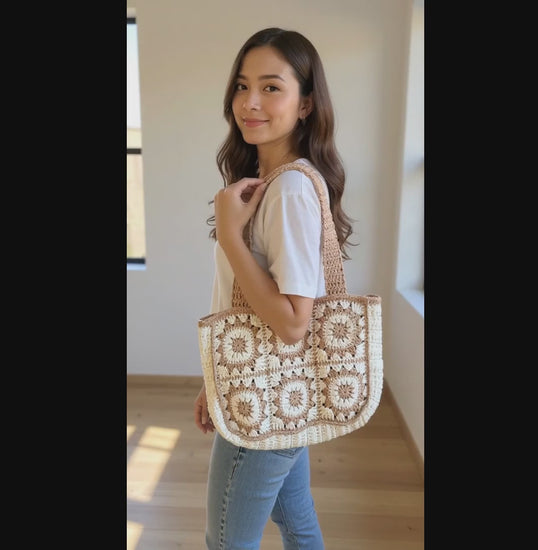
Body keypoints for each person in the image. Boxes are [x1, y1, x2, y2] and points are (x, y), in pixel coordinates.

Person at [194, 27, 353, 550]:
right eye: (242, 86)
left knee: (227, 542)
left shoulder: (288, 191)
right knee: (297, 520)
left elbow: (291, 322)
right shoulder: (279, 182)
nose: (250, 102)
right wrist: (216, 380)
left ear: (306, 104)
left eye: (271, 87)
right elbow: (244, 306)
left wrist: (230, 235)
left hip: (263, 398)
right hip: (279, 389)